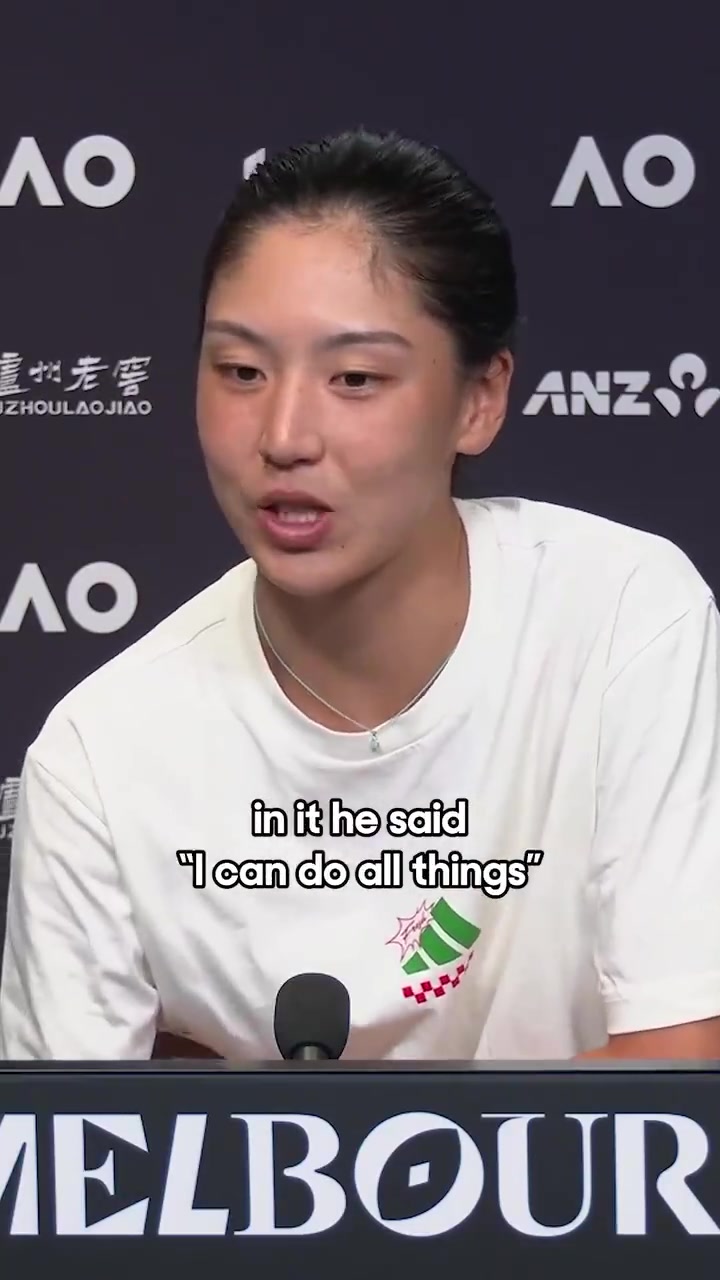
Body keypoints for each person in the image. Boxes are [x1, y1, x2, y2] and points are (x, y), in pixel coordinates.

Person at [1, 128, 719, 1063]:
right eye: (241, 372)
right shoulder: (100, 753)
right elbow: (77, 1139)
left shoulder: (625, 619)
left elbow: (677, 1076)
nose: (285, 436)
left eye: (355, 379)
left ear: (480, 399)